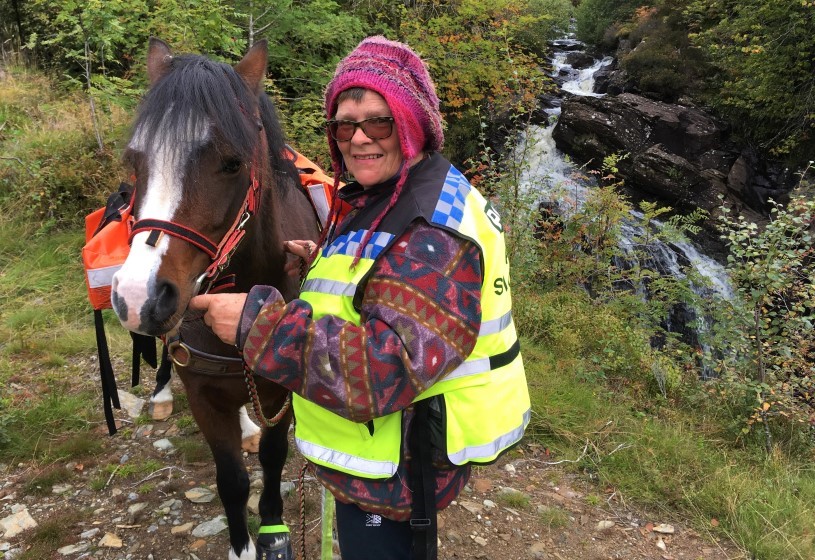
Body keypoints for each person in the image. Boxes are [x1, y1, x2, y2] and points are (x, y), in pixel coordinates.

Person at [190, 36, 530, 560]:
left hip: (397, 468)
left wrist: (256, 324)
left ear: (412, 122)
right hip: (379, 450)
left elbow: (382, 369)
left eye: (379, 121)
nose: (358, 138)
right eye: (343, 125)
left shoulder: (431, 229)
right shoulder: (389, 192)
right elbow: (383, 283)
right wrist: (319, 259)